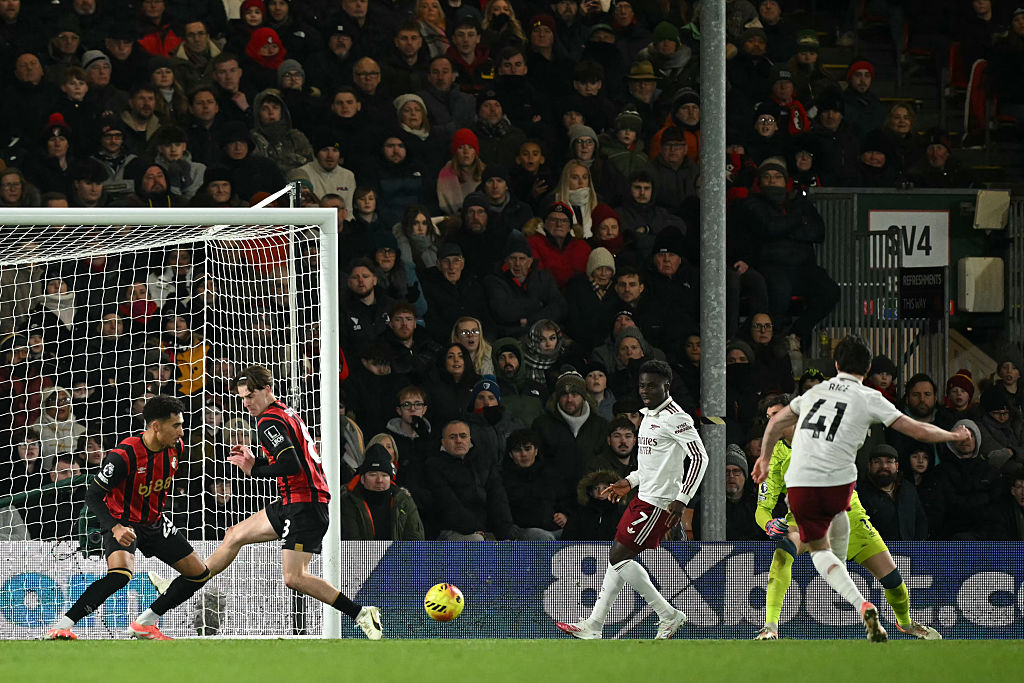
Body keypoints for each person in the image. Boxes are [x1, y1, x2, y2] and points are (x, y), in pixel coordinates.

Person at [753, 336, 969, 642]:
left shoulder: (813, 395)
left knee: (884, 577)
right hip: (834, 494)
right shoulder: (867, 397)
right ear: (867, 368)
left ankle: (901, 620)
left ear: (836, 364)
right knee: (788, 552)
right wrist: (953, 435)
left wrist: (760, 457)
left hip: (823, 498)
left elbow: (775, 424)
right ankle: (771, 626)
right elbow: (919, 429)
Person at [187, 366, 382, 639]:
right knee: (234, 535)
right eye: (242, 398)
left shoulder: (268, 422)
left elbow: (290, 464)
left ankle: (360, 612)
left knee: (294, 577)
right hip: (294, 500)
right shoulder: (284, 412)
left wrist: (254, 470)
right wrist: (259, 461)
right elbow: (295, 457)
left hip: (305, 504)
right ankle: (186, 583)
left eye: (250, 396)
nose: (246, 403)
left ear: (267, 390)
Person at [753, 394, 940, 641]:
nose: (772, 423)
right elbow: (762, 507)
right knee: (782, 554)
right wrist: (768, 523)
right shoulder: (773, 457)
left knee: (893, 580)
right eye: (768, 418)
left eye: (776, 416)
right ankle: (770, 627)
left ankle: (905, 623)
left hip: (847, 514)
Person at [556, 359, 707, 640]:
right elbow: (650, 465)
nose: (645, 390)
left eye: (652, 385)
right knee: (617, 558)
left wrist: (683, 498)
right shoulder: (647, 415)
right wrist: (630, 481)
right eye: (642, 385)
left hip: (660, 502)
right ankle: (595, 624)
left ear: (667, 386)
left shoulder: (677, 417)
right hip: (643, 496)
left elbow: (700, 457)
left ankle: (667, 614)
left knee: (618, 556)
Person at [46, 396, 210, 641]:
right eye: (176, 425)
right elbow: (93, 495)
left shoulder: (177, 448)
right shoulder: (124, 455)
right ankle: (62, 626)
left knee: (199, 574)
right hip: (122, 521)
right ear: (156, 426)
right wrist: (115, 527)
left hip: (154, 521)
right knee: (120, 575)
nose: (181, 431)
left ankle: (145, 623)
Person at [341, 444, 425, 540]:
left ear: (390, 479)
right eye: (373, 475)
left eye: (384, 475)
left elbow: (415, 539)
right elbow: (351, 540)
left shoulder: (403, 501)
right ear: (362, 479)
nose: (379, 480)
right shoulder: (348, 501)